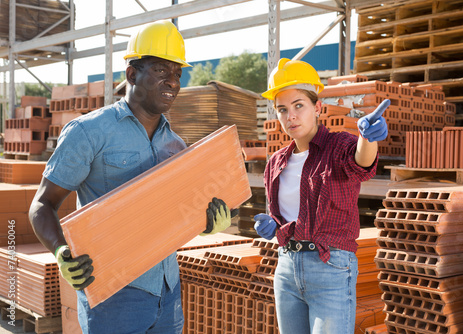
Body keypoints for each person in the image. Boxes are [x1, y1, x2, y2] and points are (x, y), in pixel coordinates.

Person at [29, 20, 235, 334]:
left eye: (178, 73)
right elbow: (42, 205)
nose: (173, 83)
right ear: (132, 74)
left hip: (168, 291)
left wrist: (207, 225)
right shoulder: (88, 132)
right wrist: (61, 252)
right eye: (162, 71)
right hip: (115, 294)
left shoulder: (176, 146)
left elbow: (176, 215)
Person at [253, 58, 388, 334]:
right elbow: (284, 217)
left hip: (331, 269)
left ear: (318, 108)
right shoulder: (275, 162)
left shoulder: (338, 146)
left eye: (298, 105)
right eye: (282, 109)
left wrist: (368, 138)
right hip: (287, 269)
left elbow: (361, 162)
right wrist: (270, 226)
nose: (290, 116)